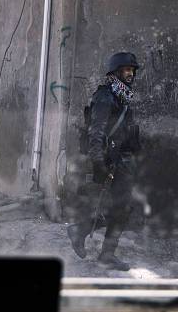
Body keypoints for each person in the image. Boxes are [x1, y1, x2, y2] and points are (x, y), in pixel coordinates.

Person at [67, 52, 141, 271]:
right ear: (116, 72)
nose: (130, 73)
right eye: (126, 70)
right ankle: (82, 233)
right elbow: (96, 131)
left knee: (122, 209)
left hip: (122, 160)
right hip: (109, 160)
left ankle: (102, 251)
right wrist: (98, 161)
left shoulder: (123, 96)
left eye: (132, 70)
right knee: (119, 208)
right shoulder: (105, 96)